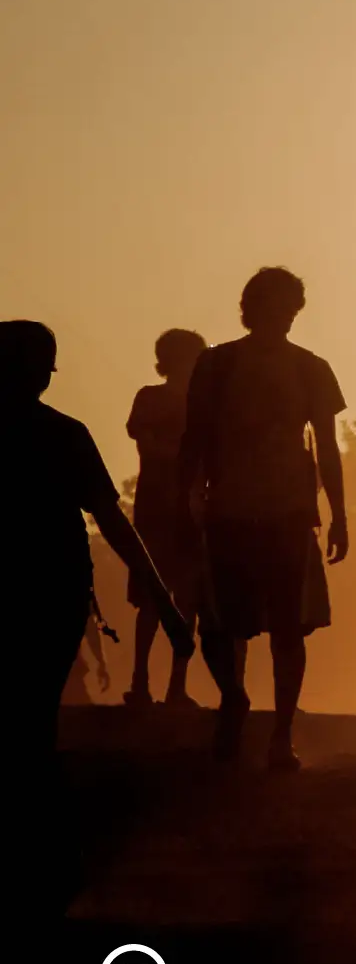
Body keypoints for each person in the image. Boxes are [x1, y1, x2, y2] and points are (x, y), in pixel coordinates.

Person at [177, 268, 349, 772]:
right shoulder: (217, 364)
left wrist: (339, 515)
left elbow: (329, 446)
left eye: (291, 308)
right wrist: (184, 498)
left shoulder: (311, 369)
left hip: (289, 511)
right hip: (228, 508)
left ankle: (281, 734)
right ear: (252, 309)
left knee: (287, 625)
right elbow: (195, 437)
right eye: (276, 307)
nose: (285, 317)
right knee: (219, 622)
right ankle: (234, 697)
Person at [5, 320, 193, 766]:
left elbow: (112, 521)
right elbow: (111, 521)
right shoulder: (65, 434)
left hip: (53, 589)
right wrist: (165, 602)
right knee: (35, 711)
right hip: (54, 589)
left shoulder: (67, 434)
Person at [124, 329, 209, 709]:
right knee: (154, 597)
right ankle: (140, 682)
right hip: (160, 507)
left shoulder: (203, 404)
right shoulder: (152, 398)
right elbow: (150, 448)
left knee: (187, 599)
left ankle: (176, 686)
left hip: (188, 508)